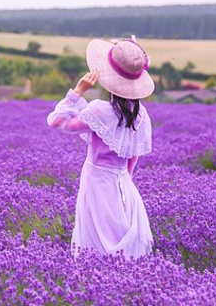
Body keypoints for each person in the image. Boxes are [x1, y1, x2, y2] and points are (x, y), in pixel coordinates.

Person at [47, 35, 155, 260]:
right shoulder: (141, 116)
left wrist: (77, 91)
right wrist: (124, 181)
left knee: (96, 245)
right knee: (124, 247)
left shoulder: (100, 111)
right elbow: (131, 158)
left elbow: (57, 121)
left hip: (97, 184)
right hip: (125, 186)